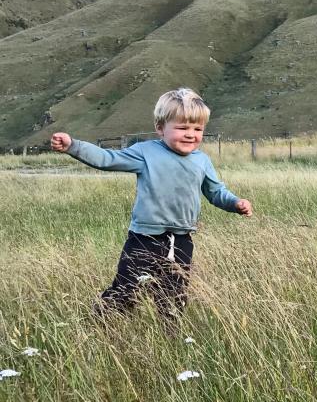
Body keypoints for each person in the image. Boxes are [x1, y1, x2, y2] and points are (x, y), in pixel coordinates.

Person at [49, 87, 252, 327]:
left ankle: (171, 340)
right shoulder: (146, 153)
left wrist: (235, 203)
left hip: (182, 239)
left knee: (174, 296)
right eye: (182, 127)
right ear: (160, 128)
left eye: (198, 129)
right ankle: (97, 326)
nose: (190, 134)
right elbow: (108, 159)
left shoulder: (202, 161)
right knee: (126, 289)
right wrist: (74, 145)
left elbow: (216, 192)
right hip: (144, 237)